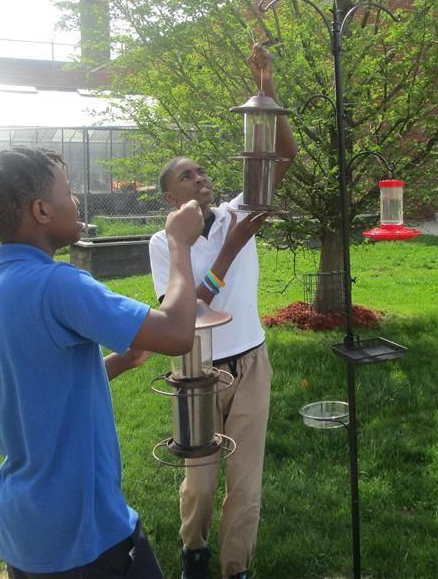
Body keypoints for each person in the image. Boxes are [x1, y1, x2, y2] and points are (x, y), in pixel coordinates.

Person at [0, 146, 205, 579]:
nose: (76, 201)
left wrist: (120, 362)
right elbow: (176, 332)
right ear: (41, 210)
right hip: (84, 533)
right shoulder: (58, 284)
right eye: (69, 191)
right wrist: (178, 245)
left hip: (26, 528)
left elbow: (36, 388)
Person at [149, 44, 297, 579]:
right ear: (170, 196)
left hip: (252, 362)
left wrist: (267, 86)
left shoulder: (239, 209)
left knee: (247, 483)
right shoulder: (165, 242)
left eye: (203, 171)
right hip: (198, 370)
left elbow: (284, 156)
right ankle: (194, 551)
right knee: (201, 480)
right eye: (187, 176)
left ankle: (236, 569)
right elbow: (185, 313)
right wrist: (232, 248)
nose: (201, 179)